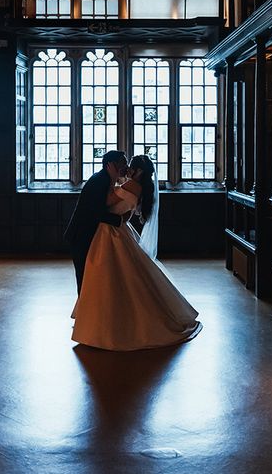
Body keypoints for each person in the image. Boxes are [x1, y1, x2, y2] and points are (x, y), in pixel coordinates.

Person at [71, 154, 202, 351]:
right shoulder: (136, 187)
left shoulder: (130, 185)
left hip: (111, 233)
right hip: (115, 230)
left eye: (130, 166)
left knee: (107, 277)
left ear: (138, 171)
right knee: (119, 277)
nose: (127, 169)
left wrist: (114, 180)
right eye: (124, 165)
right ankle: (97, 318)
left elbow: (107, 202)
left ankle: (102, 322)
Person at [63, 150, 128, 294]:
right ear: (112, 164)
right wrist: (120, 220)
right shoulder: (101, 180)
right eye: (124, 162)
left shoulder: (105, 178)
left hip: (87, 234)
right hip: (81, 235)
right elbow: (96, 213)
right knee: (84, 276)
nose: (127, 166)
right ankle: (84, 312)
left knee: (90, 276)